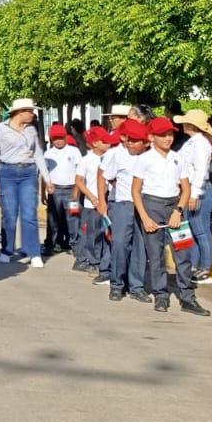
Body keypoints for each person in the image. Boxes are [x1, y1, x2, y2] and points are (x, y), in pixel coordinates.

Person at [131, 117, 210, 316]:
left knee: (183, 253)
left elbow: (185, 188)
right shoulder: (144, 159)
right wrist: (145, 218)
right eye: (163, 135)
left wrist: (178, 210)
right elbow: (135, 191)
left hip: (174, 206)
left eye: (170, 134)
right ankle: (161, 295)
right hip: (152, 205)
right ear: (151, 137)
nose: (168, 138)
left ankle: (187, 297)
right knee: (156, 255)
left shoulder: (178, 157)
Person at [0, 98, 48, 268]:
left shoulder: (31, 130)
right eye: (30, 111)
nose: (32, 114)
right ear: (19, 112)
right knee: (9, 213)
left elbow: (38, 154)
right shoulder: (1, 129)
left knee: (29, 213)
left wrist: (47, 178)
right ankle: (7, 250)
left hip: (28, 172)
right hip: (6, 172)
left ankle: (33, 251)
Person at [100, 121, 151, 302]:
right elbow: (104, 176)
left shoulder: (151, 157)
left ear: (145, 142)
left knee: (140, 247)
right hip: (123, 205)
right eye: (128, 139)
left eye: (135, 140)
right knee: (120, 244)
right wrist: (101, 201)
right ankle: (116, 285)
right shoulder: (118, 156)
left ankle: (136, 286)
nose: (129, 143)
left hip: (145, 207)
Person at [176, 110, 212, 282]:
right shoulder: (193, 142)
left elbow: (200, 171)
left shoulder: (200, 144)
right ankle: (194, 264)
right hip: (193, 190)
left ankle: (205, 267)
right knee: (192, 230)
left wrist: (194, 195)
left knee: (200, 231)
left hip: (199, 190)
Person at [73, 127, 112, 275]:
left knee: (103, 233)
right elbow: (79, 181)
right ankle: (90, 260)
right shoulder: (87, 160)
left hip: (105, 202)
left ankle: (98, 259)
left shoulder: (109, 158)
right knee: (91, 234)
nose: (108, 144)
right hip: (91, 204)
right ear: (95, 143)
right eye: (105, 142)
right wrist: (92, 196)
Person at [41, 124, 82, 256]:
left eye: (60, 138)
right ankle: (51, 244)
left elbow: (79, 172)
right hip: (55, 191)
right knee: (53, 219)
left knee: (73, 218)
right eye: (55, 139)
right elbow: (44, 173)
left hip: (71, 191)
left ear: (65, 137)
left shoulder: (74, 151)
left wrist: (77, 189)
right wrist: (43, 192)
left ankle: (74, 244)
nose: (58, 141)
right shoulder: (48, 154)